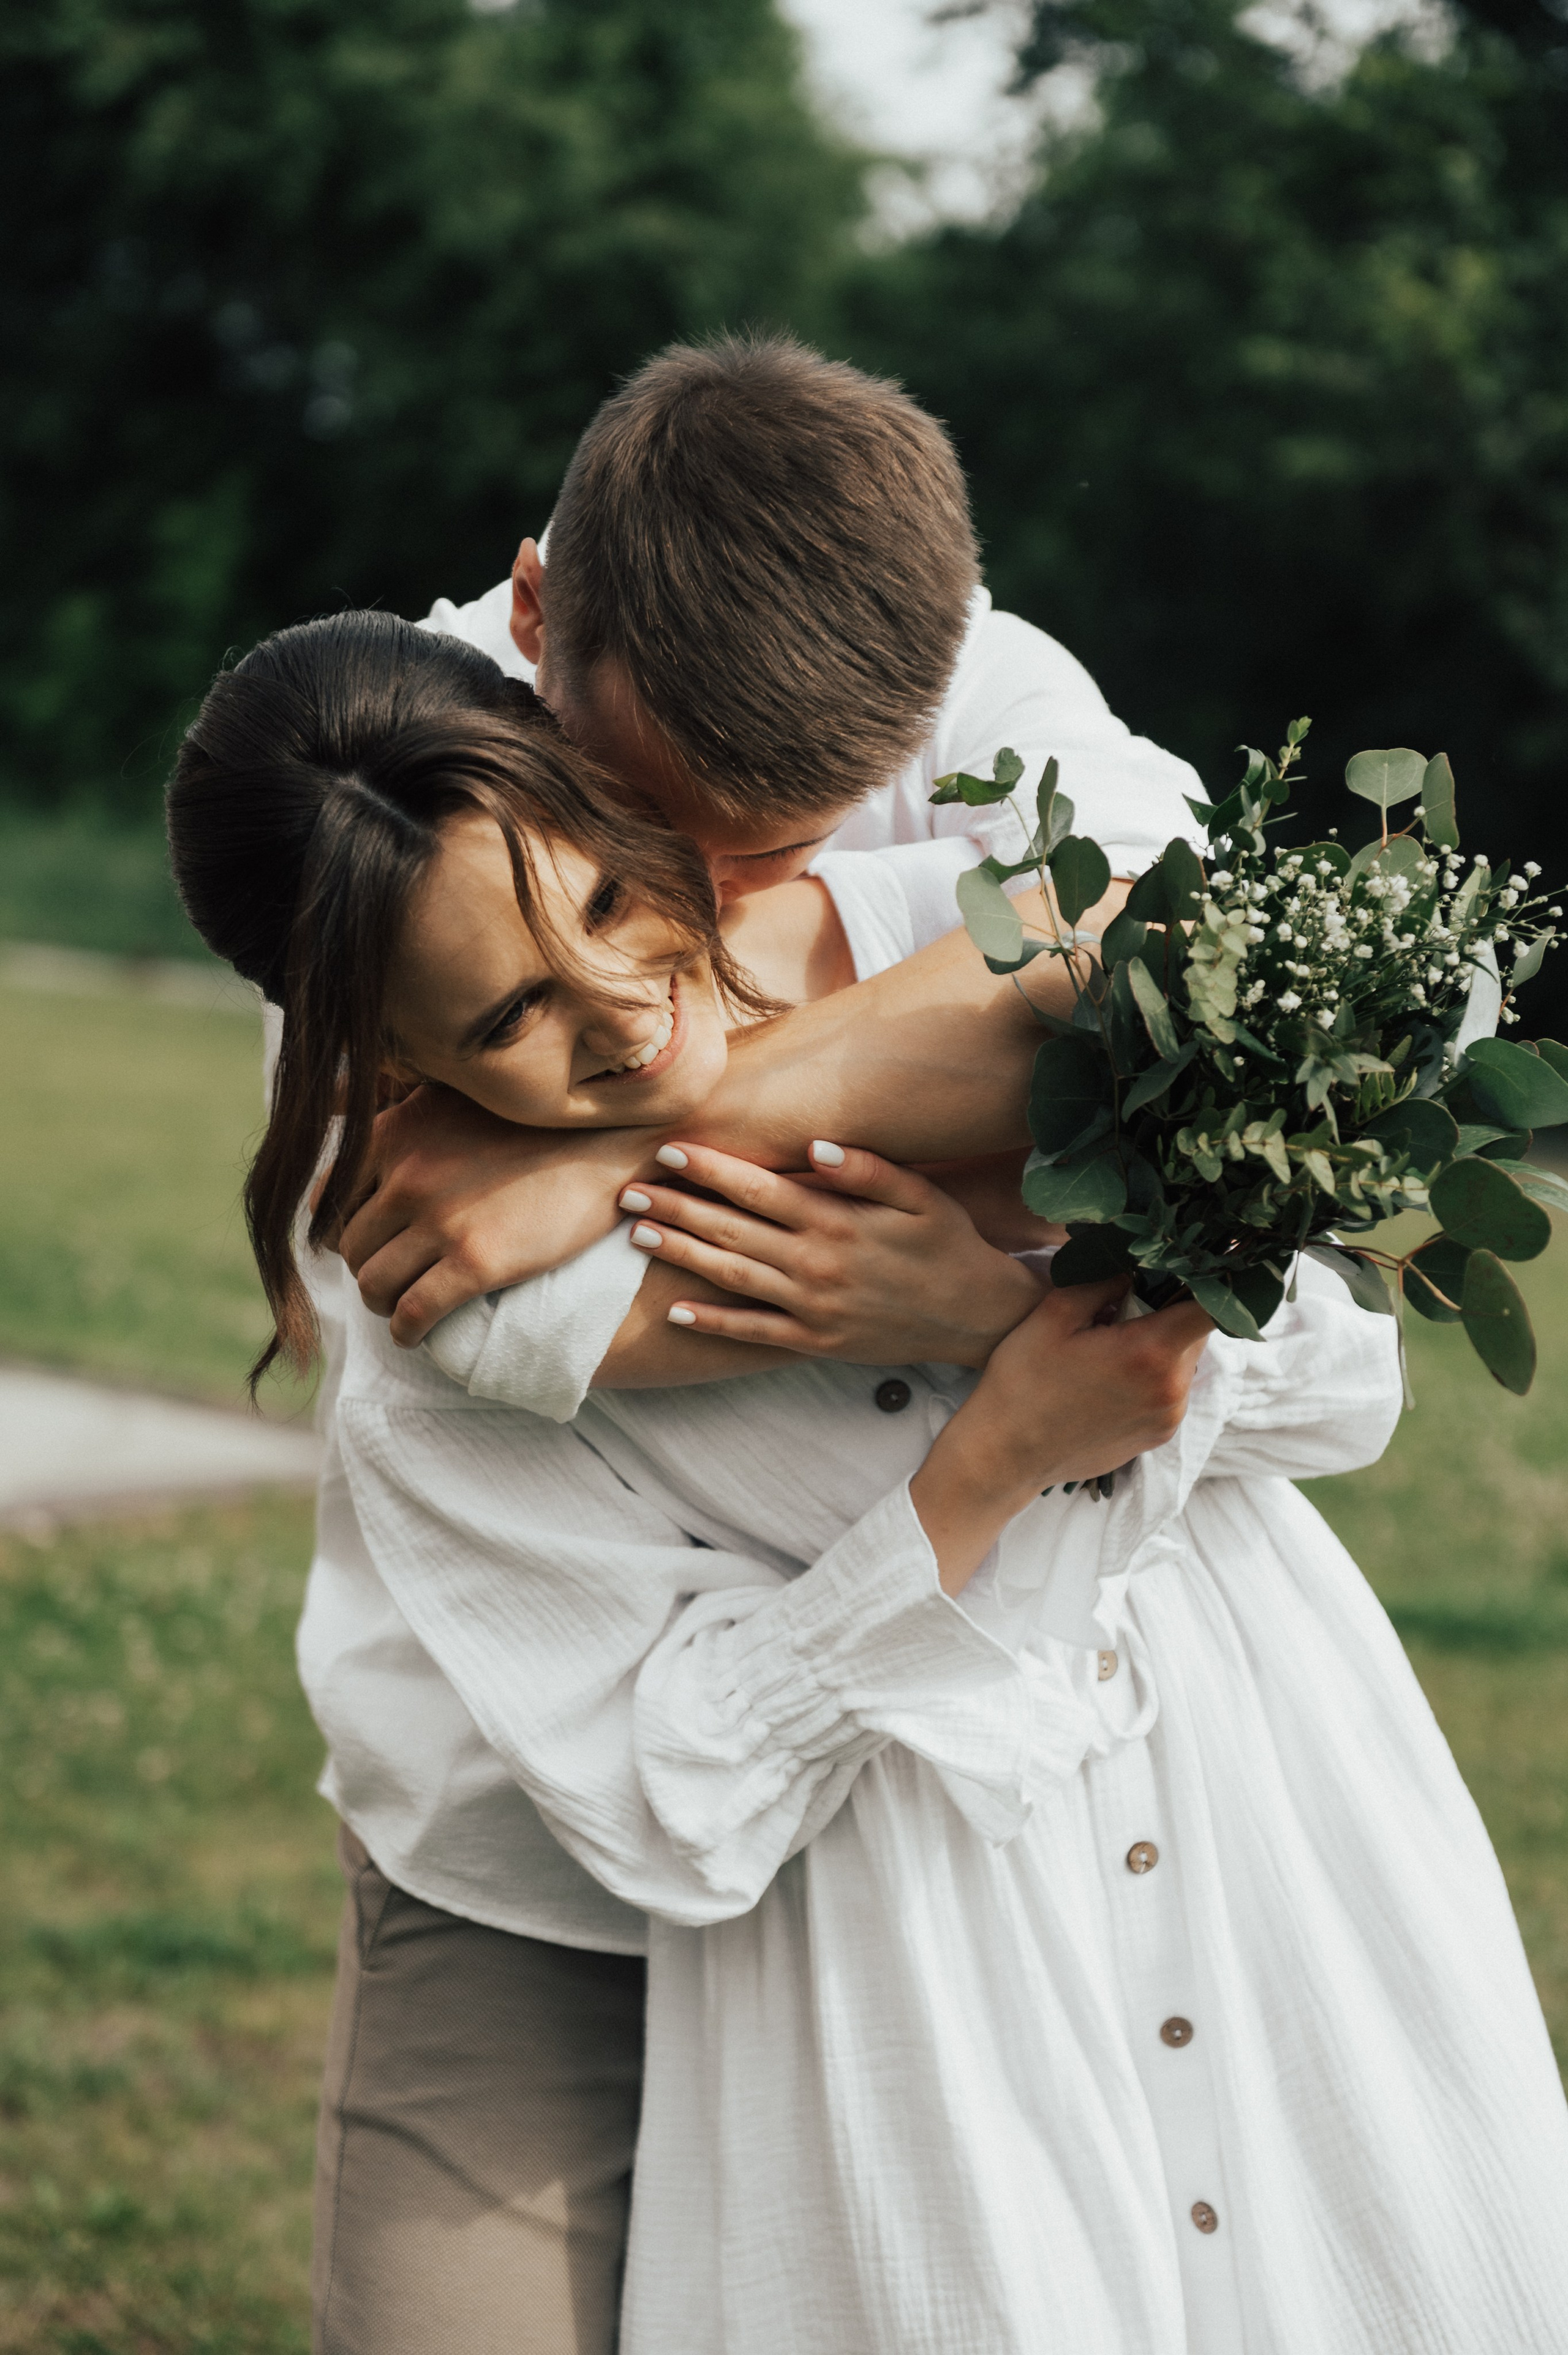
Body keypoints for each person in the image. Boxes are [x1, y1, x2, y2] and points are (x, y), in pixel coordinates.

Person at [171, 613, 1568, 2355]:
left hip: (1268, 1826)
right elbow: (679, 1791)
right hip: (908, 1960)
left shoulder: (953, 961)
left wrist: (986, 1310)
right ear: (387, 1067)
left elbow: (1339, 1373)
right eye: (515, 1012)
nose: (620, 1014)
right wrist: (987, 1464)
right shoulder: (460, 1338)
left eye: (606, 904)